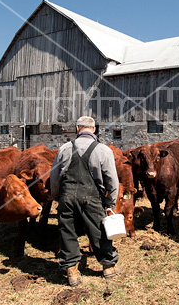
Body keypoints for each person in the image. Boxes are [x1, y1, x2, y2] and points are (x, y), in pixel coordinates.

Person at [50, 116, 120, 287]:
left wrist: (58, 196)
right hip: (92, 196)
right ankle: (108, 266)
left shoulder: (65, 149)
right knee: (98, 230)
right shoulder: (103, 150)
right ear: (94, 129)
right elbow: (112, 179)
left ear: (77, 128)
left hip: (67, 196)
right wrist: (110, 202)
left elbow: (54, 176)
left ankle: (71, 271)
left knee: (68, 231)